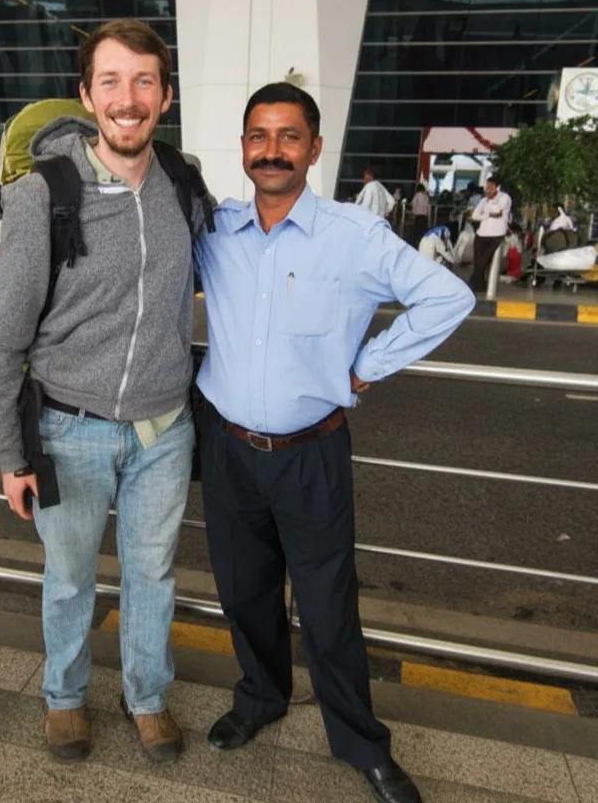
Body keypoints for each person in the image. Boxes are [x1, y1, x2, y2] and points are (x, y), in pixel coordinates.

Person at [194, 82, 475, 803]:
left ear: (314, 148)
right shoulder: (216, 230)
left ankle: (360, 743)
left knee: (327, 609)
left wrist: (366, 366)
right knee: (243, 593)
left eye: (289, 137)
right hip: (227, 450)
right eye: (259, 136)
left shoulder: (354, 236)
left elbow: (449, 297)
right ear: (244, 147)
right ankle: (261, 698)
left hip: (311, 454)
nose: (273, 151)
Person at [0, 19, 210, 765]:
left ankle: (145, 696)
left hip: (164, 429)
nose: (128, 98)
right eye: (110, 81)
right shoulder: (44, 196)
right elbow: (2, 340)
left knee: (153, 574)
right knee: (71, 577)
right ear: (86, 96)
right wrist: (11, 455)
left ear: (165, 97)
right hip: (68, 429)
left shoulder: (184, 182)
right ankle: (65, 697)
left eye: (144, 81)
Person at [469, 175, 511, 292]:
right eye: (487, 187)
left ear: (497, 188)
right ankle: (479, 285)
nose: (487, 190)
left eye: (490, 187)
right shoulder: (483, 200)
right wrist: (488, 214)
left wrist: (488, 211)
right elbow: (475, 215)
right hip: (482, 233)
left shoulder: (504, 198)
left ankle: (472, 283)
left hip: (496, 234)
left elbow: (498, 210)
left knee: (484, 260)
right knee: (477, 260)